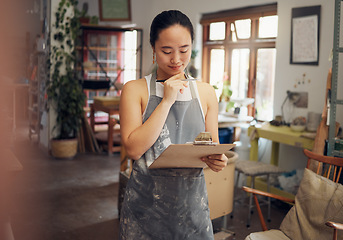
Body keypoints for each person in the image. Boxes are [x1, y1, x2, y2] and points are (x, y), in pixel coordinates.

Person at [119, 10, 228, 240]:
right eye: (167, 51)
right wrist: (167, 100)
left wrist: (217, 160)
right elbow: (134, 149)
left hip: (192, 211)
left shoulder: (206, 93)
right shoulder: (135, 90)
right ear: (153, 50)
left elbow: (211, 147)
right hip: (144, 210)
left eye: (184, 50)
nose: (176, 59)